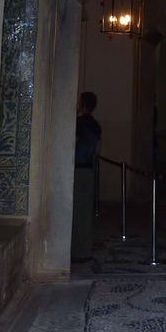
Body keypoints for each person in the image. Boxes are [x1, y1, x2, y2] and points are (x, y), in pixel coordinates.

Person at [71, 91, 101, 262]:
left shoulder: (79, 123)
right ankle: (86, 248)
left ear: (83, 105)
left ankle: (78, 250)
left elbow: (73, 144)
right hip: (89, 170)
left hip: (77, 169)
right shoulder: (96, 125)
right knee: (85, 210)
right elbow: (98, 151)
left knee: (76, 210)